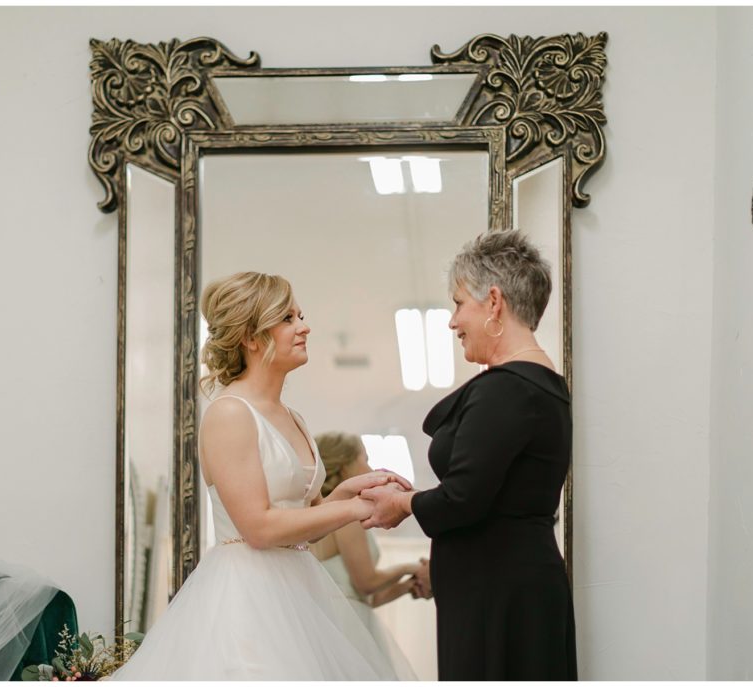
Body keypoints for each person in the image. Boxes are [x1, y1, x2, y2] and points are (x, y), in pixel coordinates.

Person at [113, 272, 411, 680]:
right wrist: (356, 508)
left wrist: (345, 492)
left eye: (300, 316)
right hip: (247, 596)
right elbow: (258, 526)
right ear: (251, 338)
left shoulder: (294, 418)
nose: (305, 327)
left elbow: (305, 522)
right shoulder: (230, 413)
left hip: (299, 591)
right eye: (287, 318)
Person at [360, 229, 577, 681]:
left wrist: (402, 502)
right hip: (508, 585)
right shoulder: (539, 387)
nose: (452, 321)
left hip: (497, 595)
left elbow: (463, 498)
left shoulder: (507, 390)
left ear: (493, 302)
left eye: (459, 303)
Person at [310, 432, 422, 679]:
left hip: (345, 617)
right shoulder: (344, 516)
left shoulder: (322, 516)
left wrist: (408, 586)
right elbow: (367, 582)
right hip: (345, 626)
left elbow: (366, 597)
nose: (369, 467)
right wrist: (410, 567)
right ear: (345, 465)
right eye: (365, 458)